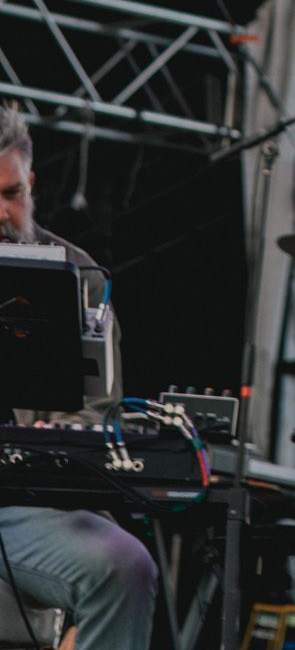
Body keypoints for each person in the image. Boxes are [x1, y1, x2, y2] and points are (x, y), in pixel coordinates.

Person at [0, 103, 158, 650]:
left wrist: (44, 442)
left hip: (28, 508)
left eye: (11, 193)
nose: (1, 211)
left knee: (125, 566)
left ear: (32, 183)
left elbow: (94, 415)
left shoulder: (79, 275)